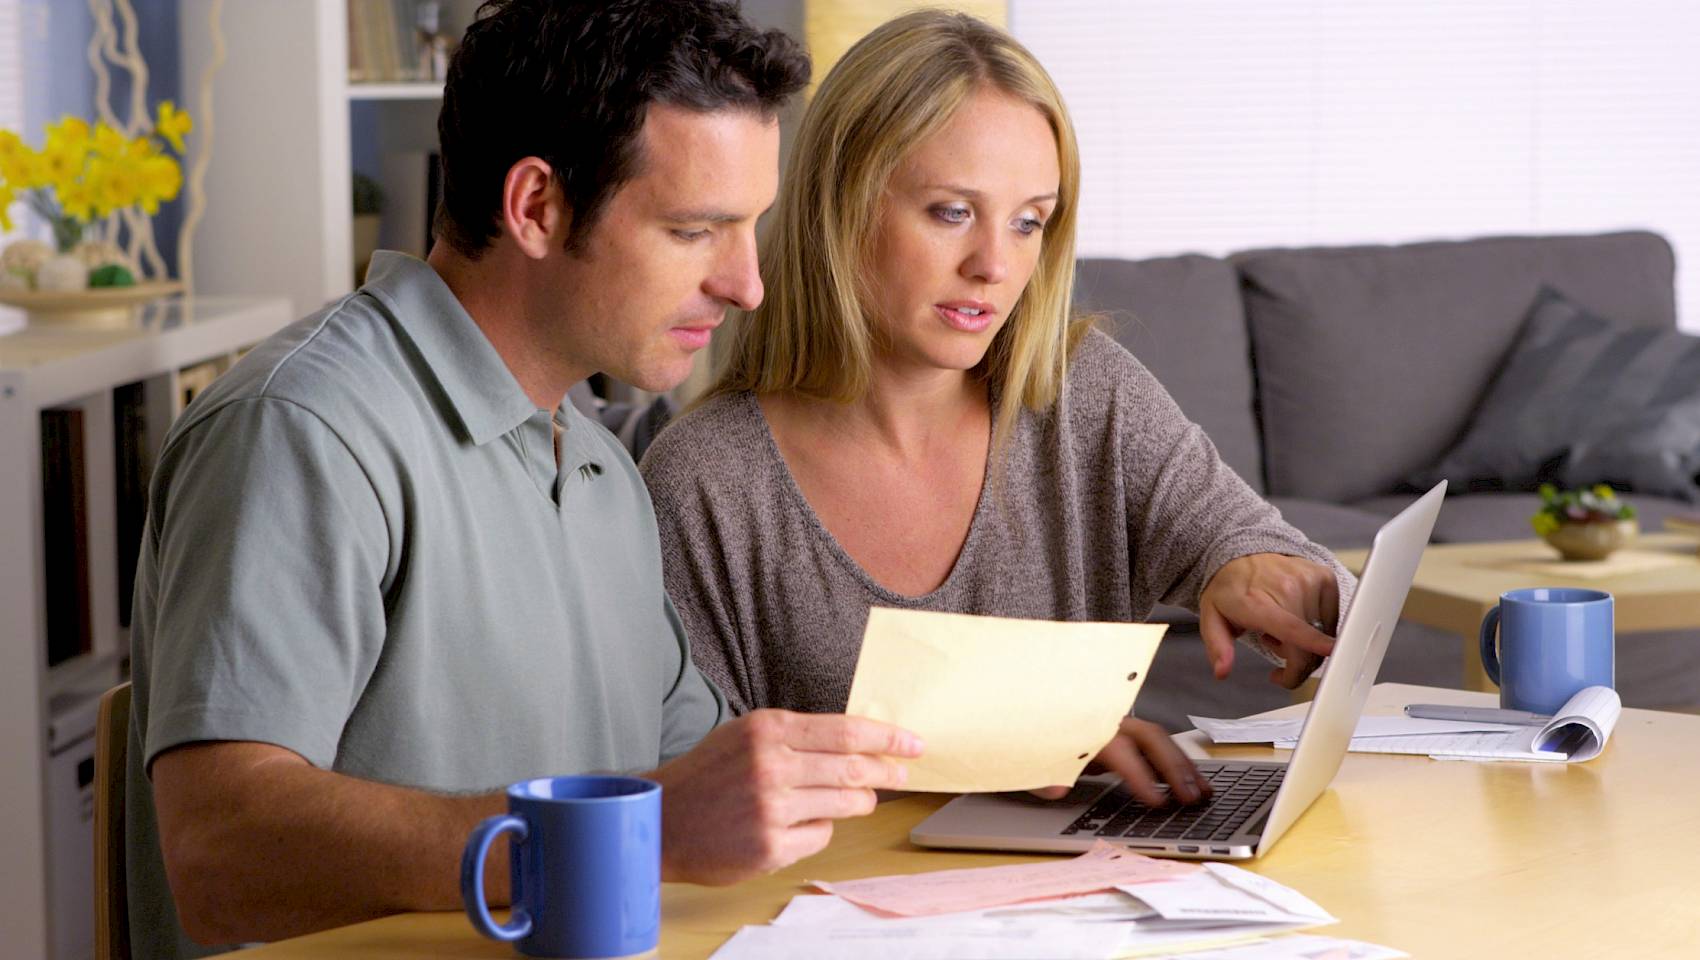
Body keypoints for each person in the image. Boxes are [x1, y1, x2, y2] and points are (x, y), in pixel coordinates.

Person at [126, 4, 923, 958]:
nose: (746, 284)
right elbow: (222, 860)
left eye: (749, 227)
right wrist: (643, 832)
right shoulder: (302, 432)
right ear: (537, 206)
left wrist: (1022, 754)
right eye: (694, 229)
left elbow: (702, 785)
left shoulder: (597, 470)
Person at [640, 10, 1354, 807]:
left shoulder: (1079, 393)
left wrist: (1268, 572)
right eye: (951, 211)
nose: (994, 265)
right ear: (841, 203)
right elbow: (698, 798)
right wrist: (1015, 745)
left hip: (1080, 904)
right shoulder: (703, 480)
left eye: (1028, 222)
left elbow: (1288, 564)